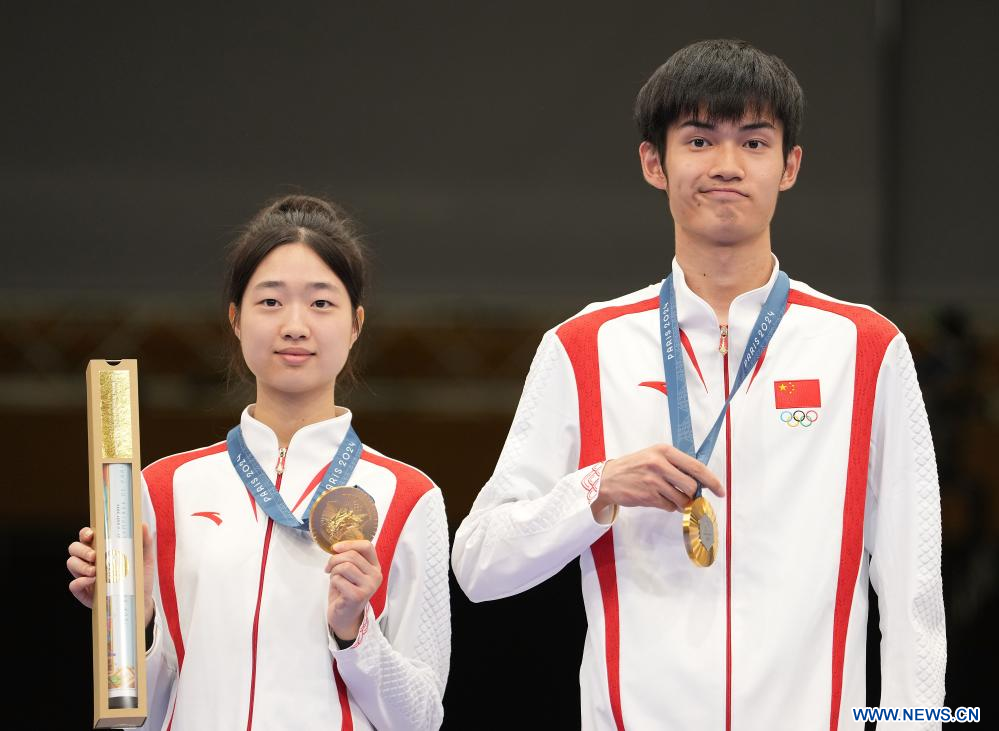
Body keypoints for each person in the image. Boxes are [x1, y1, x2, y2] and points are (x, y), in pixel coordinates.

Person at [451, 39, 946, 729]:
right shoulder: (583, 347)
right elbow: (479, 565)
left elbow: (913, 585)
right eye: (699, 139)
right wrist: (596, 488)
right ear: (654, 163)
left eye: (753, 142)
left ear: (789, 165)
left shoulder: (864, 348)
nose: (725, 165)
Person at [67, 195, 451, 730]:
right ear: (236, 318)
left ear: (356, 324)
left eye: (321, 303)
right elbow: (136, 718)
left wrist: (354, 632)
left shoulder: (408, 496)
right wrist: (132, 620)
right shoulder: (166, 487)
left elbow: (422, 718)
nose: (295, 325)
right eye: (270, 301)